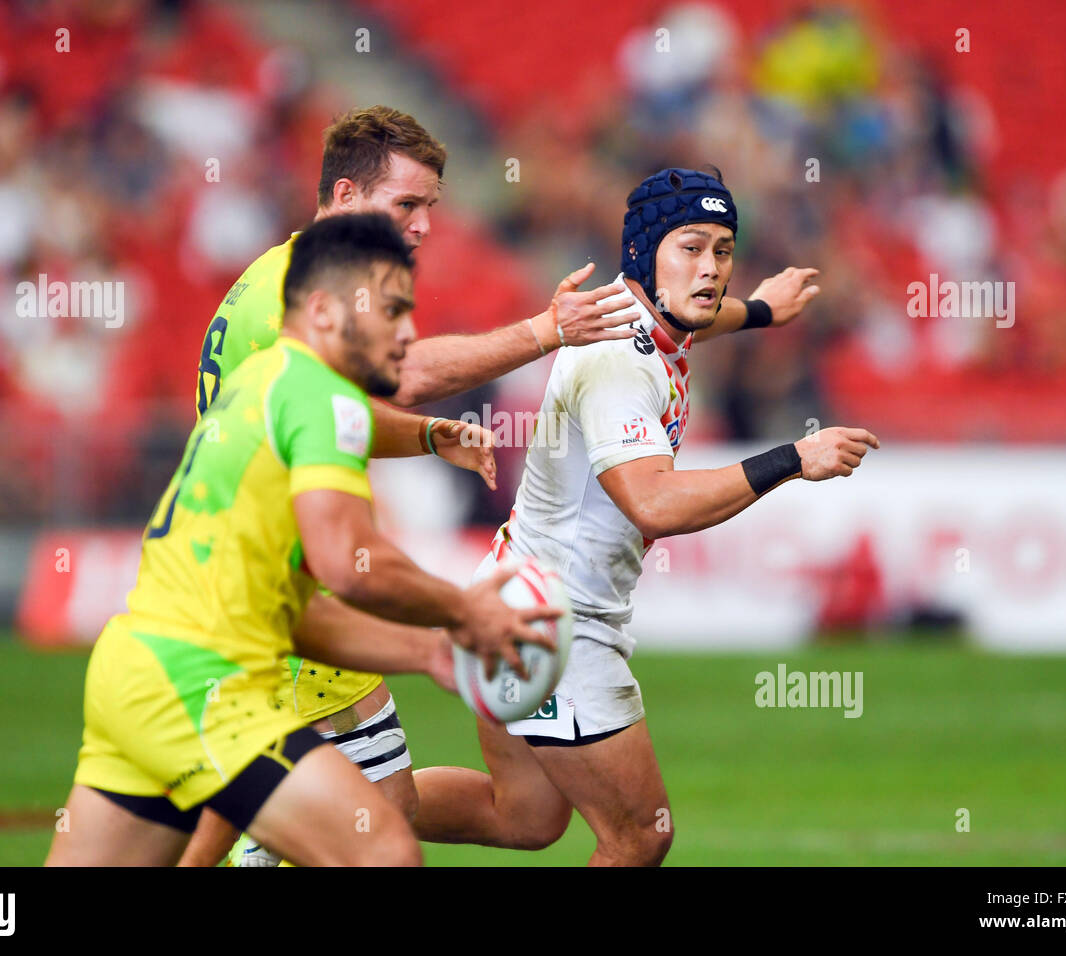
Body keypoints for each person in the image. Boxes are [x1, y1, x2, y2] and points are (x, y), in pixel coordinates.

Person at [182, 108, 819, 866]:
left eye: (432, 208)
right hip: (294, 586)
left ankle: (262, 837)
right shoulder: (315, 290)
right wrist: (546, 330)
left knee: (456, 816)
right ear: (346, 194)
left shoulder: (281, 277)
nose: (422, 227)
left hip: (283, 575)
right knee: (386, 835)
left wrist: (426, 436)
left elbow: (338, 411)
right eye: (406, 206)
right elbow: (407, 376)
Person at [46, 213, 559, 867]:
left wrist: (430, 650)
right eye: (391, 310)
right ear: (322, 310)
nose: (407, 333)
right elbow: (347, 566)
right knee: (383, 852)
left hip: (132, 672)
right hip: (200, 686)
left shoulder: (260, 384)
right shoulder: (324, 401)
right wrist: (464, 610)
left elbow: (303, 612)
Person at [410, 168, 881, 865]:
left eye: (722, 250)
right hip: (556, 624)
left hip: (512, 592)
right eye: (691, 248)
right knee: (639, 837)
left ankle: (303, 807)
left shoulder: (649, 316)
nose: (711, 269)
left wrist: (759, 310)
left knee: (522, 817)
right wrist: (793, 459)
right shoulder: (616, 362)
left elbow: (702, 314)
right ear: (644, 255)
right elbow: (654, 501)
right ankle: (311, 810)